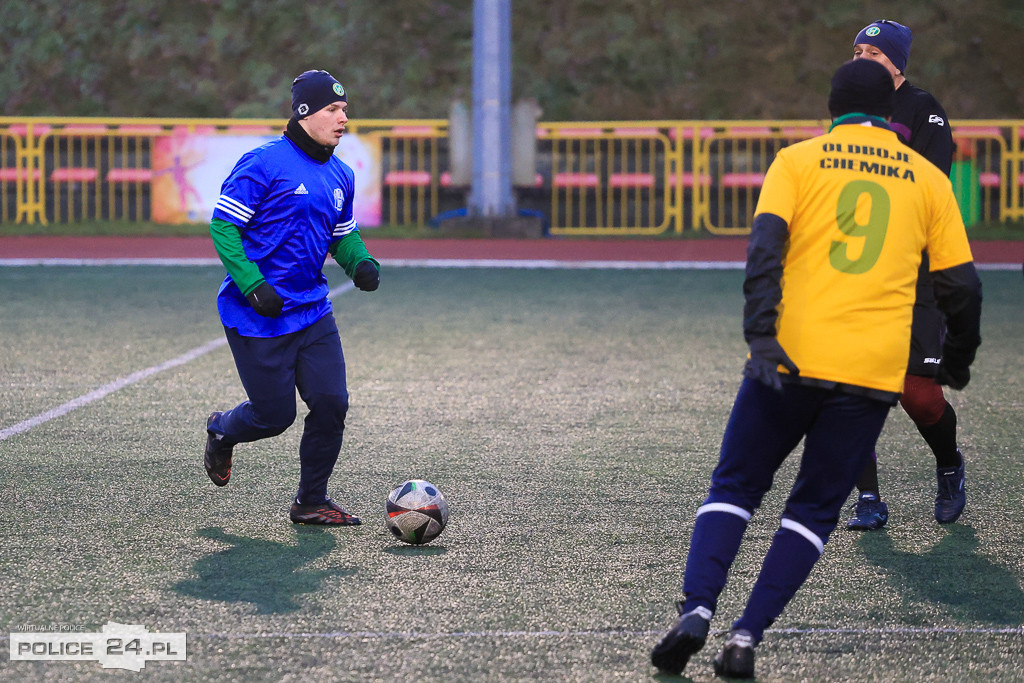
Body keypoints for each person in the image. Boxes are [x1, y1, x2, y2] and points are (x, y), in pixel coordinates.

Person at [650, 59, 982, 679]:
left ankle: (696, 609)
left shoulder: (796, 161)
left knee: (735, 488)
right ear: (892, 112)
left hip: (790, 357)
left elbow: (764, 249)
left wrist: (760, 333)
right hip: (870, 372)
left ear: (831, 109)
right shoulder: (927, 179)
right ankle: (746, 637)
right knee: (812, 512)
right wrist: (956, 359)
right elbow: (961, 286)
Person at [203, 69, 381, 526]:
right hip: (256, 315)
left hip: (313, 312)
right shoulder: (262, 163)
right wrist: (252, 284)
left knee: (332, 403)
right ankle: (222, 430)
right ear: (305, 113)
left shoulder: (342, 173)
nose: (344, 117)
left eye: (344, 109)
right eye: (333, 109)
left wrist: (359, 261)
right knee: (272, 416)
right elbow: (224, 227)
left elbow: (343, 234)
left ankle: (311, 500)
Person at [845, 19, 966, 531]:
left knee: (917, 393)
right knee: (850, 391)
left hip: (917, 272)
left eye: (873, 52)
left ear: (896, 64)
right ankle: (868, 498)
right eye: (857, 50)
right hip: (857, 271)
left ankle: (949, 466)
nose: (861, 58)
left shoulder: (924, 110)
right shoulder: (848, 115)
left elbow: (930, 187)